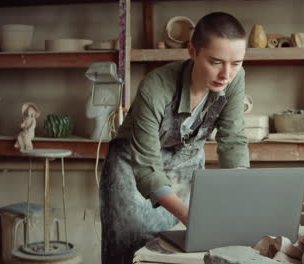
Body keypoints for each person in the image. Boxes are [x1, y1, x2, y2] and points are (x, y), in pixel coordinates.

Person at [100, 12, 250, 264]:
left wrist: (242, 193)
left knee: (183, 252)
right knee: (132, 251)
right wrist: (190, 216)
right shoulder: (155, 87)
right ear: (192, 51)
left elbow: (233, 140)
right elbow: (147, 168)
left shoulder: (234, 79)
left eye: (236, 63)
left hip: (186, 165)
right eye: (215, 61)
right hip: (133, 167)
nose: (226, 74)